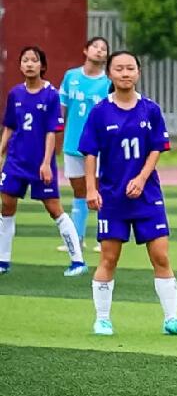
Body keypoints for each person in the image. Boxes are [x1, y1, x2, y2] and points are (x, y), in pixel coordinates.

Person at [78, 50, 177, 338]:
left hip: (147, 195)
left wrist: (142, 179)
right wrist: (91, 188)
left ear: (138, 73)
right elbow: (90, 152)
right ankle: (102, 320)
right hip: (112, 196)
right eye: (119, 68)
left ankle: (171, 319)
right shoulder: (100, 112)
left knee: (161, 256)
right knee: (109, 258)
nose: (125, 73)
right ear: (110, 74)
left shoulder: (150, 109)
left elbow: (157, 147)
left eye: (130, 68)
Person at [0, 46, 86, 276]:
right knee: (6, 206)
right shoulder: (15, 94)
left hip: (39, 162)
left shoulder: (51, 95)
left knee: (54, 208)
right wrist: (1, 151)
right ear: (20, 65)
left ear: (42, 65)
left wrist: (46, 162)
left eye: (34, 60)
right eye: (25, 60)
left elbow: (51, 131)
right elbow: (10, 126)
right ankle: (3, 260)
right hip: (15, 161)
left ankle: (77, 261)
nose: (29, 64)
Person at [57, 36, 111, 254]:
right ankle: (77, 238)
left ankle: (104, 237)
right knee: (79, 191)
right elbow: (61, 108)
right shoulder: (71, 77)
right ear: (85, 50)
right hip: (72, 142)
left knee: (99, 189)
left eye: (103, 48)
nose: (99, 51)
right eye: (95, 47)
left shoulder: (108, 82)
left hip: (99, 146)